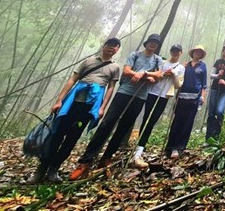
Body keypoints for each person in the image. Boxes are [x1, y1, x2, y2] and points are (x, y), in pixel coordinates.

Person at [27, 37, 121, 183]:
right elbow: (73, 79)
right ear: (104, 46)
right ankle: (41, 170)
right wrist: (59, 100)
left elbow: (110, 88)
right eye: (109, 45)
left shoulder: (115, 67)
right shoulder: (89, 61)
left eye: (114, 46)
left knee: (72, 139)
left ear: (117, 50)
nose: (111, 48)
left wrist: (102, 108)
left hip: (89, 107)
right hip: (72, 103)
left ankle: (54, 169)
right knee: (56, 135)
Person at [70, 34, 163, 180]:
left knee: (123, 128)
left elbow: (159, 75)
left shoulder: (157, 59)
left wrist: (143, 74)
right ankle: (86, 161)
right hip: (124, 92)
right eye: (151, 42)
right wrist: (146, 76)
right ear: (146, 43)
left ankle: (106, 158)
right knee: (107, 123)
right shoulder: (135, 55)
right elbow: (126, 71)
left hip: (140, 96)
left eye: (156, 43)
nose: (153, 45)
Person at [132, 44, 185, 169]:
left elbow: (178, 86)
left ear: (181, 53)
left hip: (164, 96)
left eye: (177, 51)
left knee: (152, 121)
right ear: (170, 51)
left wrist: (173, 74)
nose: (175, 53)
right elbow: (153, 76)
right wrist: (162, 74)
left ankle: (140, 148)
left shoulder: (181, 68)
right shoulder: (161, 62)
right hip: (151, 92)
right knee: (146, 119)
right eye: (173, 50)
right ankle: (138, 149)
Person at [165, 45, 207, 158]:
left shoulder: (203, 66)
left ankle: (179, 147)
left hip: (194, 98)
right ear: (192, 53)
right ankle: (170, 147)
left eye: (200, 52)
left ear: (201, 54)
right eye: (196, 51)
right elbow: (178, 79)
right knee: (177, 121)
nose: (197, 53)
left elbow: (204, 84)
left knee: (187, 123)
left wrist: (203, 97)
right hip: (181, 97)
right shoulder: (185, 65)